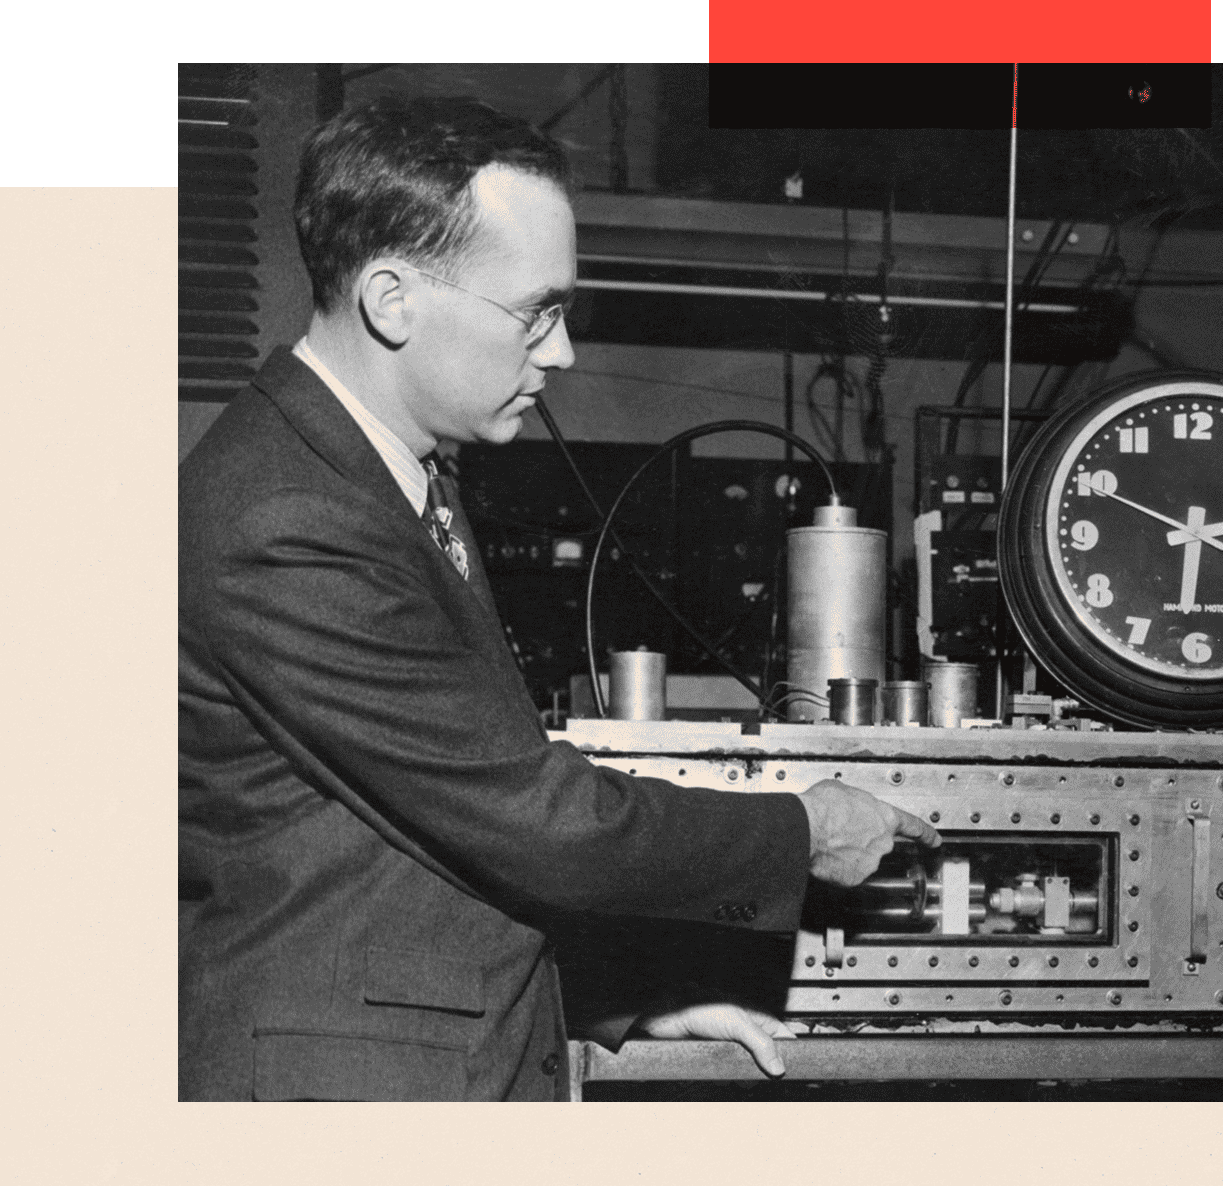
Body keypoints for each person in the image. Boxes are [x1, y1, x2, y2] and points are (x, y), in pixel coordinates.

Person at [179, 96, 938, 1101]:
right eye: (536, 309)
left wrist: (620, 992)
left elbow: (420, 841)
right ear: (392, 299)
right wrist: (802, 830)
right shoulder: (289, 515)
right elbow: (537, 821)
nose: (564, 350)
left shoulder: (393, 477)